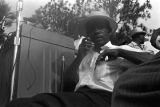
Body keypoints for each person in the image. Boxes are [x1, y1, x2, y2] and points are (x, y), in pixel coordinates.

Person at [5, 10, 152, 107]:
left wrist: (120, 52)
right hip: (79, 97)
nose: (96, 31)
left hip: (106, 99)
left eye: (100, 27)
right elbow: (68, 83)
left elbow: (152, 62)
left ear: (109, 30)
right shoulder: (84, 53)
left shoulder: (122, 50)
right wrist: (80, 56)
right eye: (92, 28)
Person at [109, 28, 160, 107]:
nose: (144, 37)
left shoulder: (145, 48)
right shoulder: (127, 47)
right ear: (137, 36)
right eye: (142, 35)